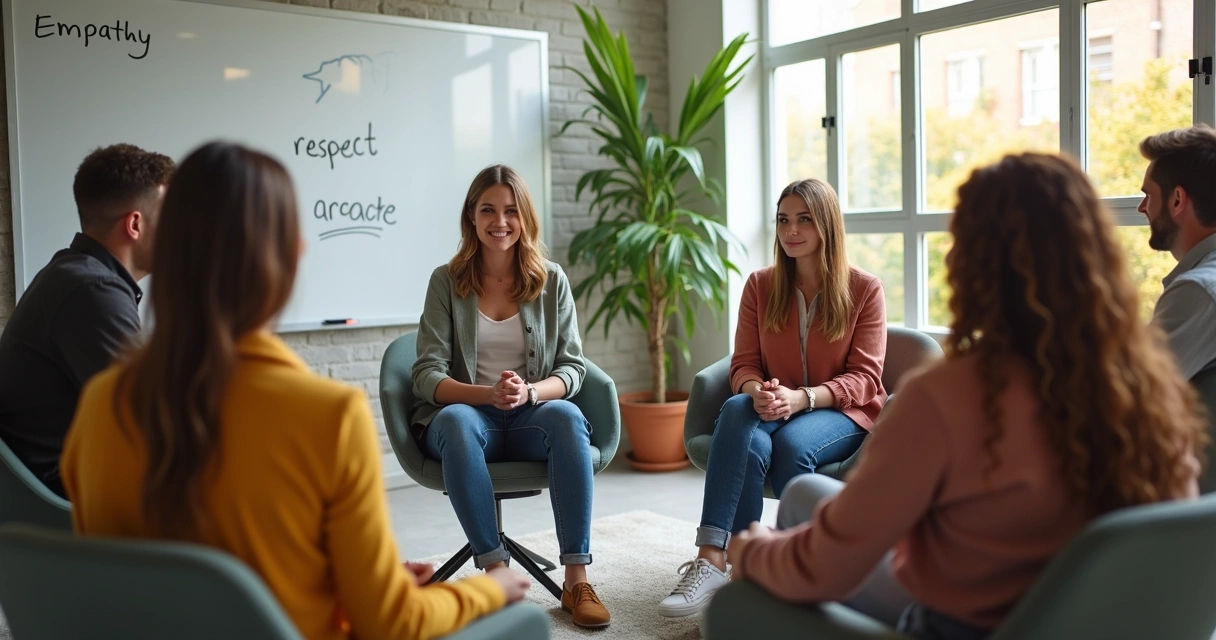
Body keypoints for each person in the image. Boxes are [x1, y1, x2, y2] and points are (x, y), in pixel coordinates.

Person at [62, 142, 529, 640]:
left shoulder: (101, 404)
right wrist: (489, 590)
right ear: (289, 253)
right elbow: (392, 624)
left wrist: (360, 588)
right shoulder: (328, 417)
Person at [729, 153, 1205, 640]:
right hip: (1082, 620)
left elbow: (826, 569)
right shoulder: (1147, 386)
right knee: (808, 493)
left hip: (965, 625)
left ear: (972, 263)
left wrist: (751, 550)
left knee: (736, 601)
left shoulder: (947, 394)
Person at [658, 178, 887, 618]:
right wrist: (756, 391)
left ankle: (796, 567)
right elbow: (742, 364)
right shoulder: (761, 285)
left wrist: (801, 399)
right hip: (772, 405)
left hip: (840, 410)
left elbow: (865, 378)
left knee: (791, 447)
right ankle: (720, 560)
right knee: (738, 411)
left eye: (804, 219)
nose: (791, 231)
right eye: (783, 220)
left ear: (827, 226)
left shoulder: (864, 289)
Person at [411, 164, 610, 628]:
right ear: (471, 217)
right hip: (467, 420)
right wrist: (488, 394)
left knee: (565, 417)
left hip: (528, 419)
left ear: (524, 218)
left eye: (510, 211)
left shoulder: (551, 279)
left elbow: (573, 367)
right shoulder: (446, 281)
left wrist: (529, 393)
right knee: (459, 421)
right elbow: (425, 375)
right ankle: (497, 578)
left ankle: (576, 579)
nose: (500, 222)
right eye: (488, 210)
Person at [0, 143, 174, 497]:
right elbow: (150, 423)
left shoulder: (75, 273)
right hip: (62, 499)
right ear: (135, 224)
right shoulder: (93, 289)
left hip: (60, 484)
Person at [1139, 126, 1216, 380]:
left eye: (1148, 195)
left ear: (1177, 200)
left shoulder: (1199, 291)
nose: (1142, 208)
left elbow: (1128, 398)